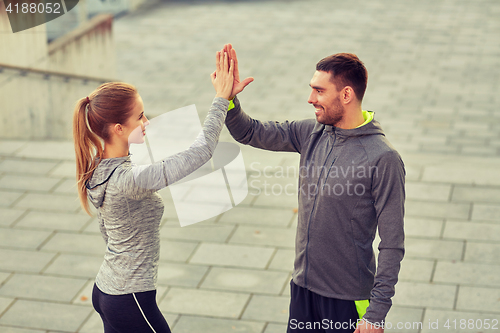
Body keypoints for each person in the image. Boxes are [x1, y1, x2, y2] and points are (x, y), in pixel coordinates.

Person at [222, 44, 405, 333]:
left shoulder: (383, 158)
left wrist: (376, 314)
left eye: (319, 91)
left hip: (347, 300)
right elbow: (249, 132)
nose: (310, 99)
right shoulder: (311, 133)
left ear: (346, 95)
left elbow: (392, 243)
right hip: (303, 290)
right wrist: (229, 99)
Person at [72, 50, 234, 332]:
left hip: (108, 290)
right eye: (141, 116)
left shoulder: (98, 169)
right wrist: (222, 98)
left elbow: (107, 230)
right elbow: (202, 151)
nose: (147, 122)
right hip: (129, 297)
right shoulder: (128, 180)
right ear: (120, 128)